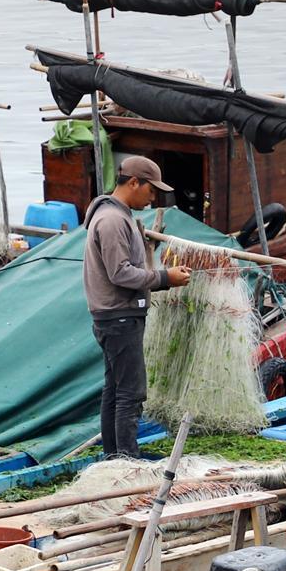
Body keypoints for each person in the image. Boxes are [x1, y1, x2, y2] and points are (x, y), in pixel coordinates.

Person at [82, 155, 191, 459]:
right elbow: (121, 273)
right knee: (130, 392)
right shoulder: (113, 220)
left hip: (115, 315)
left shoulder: (116, 215)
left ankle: (114, 457)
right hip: (119, 317)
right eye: (151, 190)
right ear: (133, 183)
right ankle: (127, 460)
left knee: (115, 390)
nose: (153, 197)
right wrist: (164, 278)